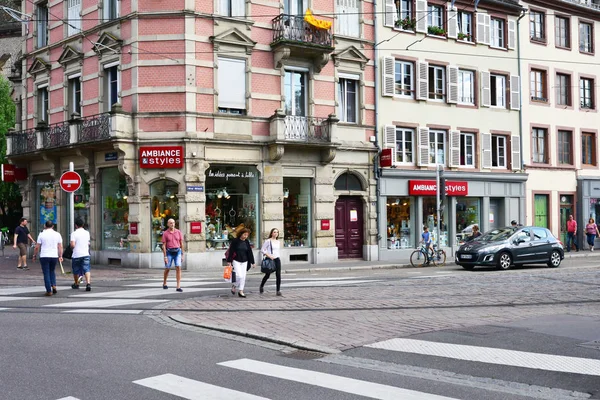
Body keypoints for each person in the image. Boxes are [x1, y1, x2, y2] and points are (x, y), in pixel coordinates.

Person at [32, 221, 63, 296]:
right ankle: (54, 285)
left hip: (44, 255)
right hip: (54, 256)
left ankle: (49, 290)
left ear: (45, 226)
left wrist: (34, 255)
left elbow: (37, 247)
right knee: (52, 271)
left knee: (46, 272)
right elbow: (60, 246)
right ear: (52, 226)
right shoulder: (57, 234)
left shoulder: (42, 234)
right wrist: (60, 256)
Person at [226, 228, 255, 298]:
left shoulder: (246, 242)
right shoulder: (235, 241)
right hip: (236, 260)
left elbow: (249, 252)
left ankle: (241, 291)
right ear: (241, 234)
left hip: (245, 261)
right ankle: (234, 285)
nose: (245, 236)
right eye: (244, 234)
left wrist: (252, 262)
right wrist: (229, 261)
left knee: (243, 276)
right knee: (239, 276)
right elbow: (231, 251)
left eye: (247, 235)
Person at [162, 218, 184, 292]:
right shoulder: (165, 233)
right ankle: (164, 282)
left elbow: (181, 244)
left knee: (178, 267)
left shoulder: (178, 232)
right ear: (168, 224)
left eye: (173, 223)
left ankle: (178, 286)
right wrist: (165, 256)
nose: (172, 224)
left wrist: (182, 254)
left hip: (177, 251)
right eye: (170, 223)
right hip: (169, 252)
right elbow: (164, 245)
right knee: (167, 268)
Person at [259, 228, 282, 296]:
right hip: (270, 259)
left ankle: (278, 290)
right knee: (267, 274)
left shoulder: (278, 242)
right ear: (271, 233)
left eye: (277, 232)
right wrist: (269, 255)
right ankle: (261, 285)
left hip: (277, 259)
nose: (276, 234)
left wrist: (277, 256)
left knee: (278, 275)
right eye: (274, 232)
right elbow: (262, 250)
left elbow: (277, 251)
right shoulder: (268, 241)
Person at [71, 218, 92, 291]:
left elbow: (73, 245)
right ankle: (88, 283)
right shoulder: (87, 233)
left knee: (76, 270)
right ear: (83, 225)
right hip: (85, 253)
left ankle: (77, 284)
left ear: (75, 225)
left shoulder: (74, 233)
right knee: (86, 269)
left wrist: (71, 247)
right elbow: (88, 242)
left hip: (76, 254)